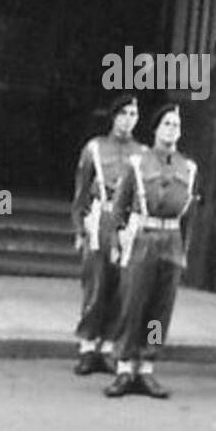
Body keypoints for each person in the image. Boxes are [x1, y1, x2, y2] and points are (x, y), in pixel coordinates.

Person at [106, 103, 199, 399]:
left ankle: (146, 365)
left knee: (160, 308)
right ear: (156, 129)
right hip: (142, 236)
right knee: (133, 303)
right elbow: (119, 205)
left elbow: (191, 216)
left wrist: (184, 250)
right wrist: (115, 241)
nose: (172, 130)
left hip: (170, 237)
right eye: (167, 124)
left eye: (177, 125)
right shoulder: (138, 163)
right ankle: (123, 365)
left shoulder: (189, 167)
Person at [69, 95, 145, 376]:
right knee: (96, 284)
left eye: (133, 114)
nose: (128, 119)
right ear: (113, 116)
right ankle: (88, 346)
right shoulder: (95, 148)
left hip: (127, 223)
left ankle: (109, 345)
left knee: (122, 288)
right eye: (123, 113)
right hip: (101, 217)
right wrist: (79, 228)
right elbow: (81, 191)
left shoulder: (142, 153)